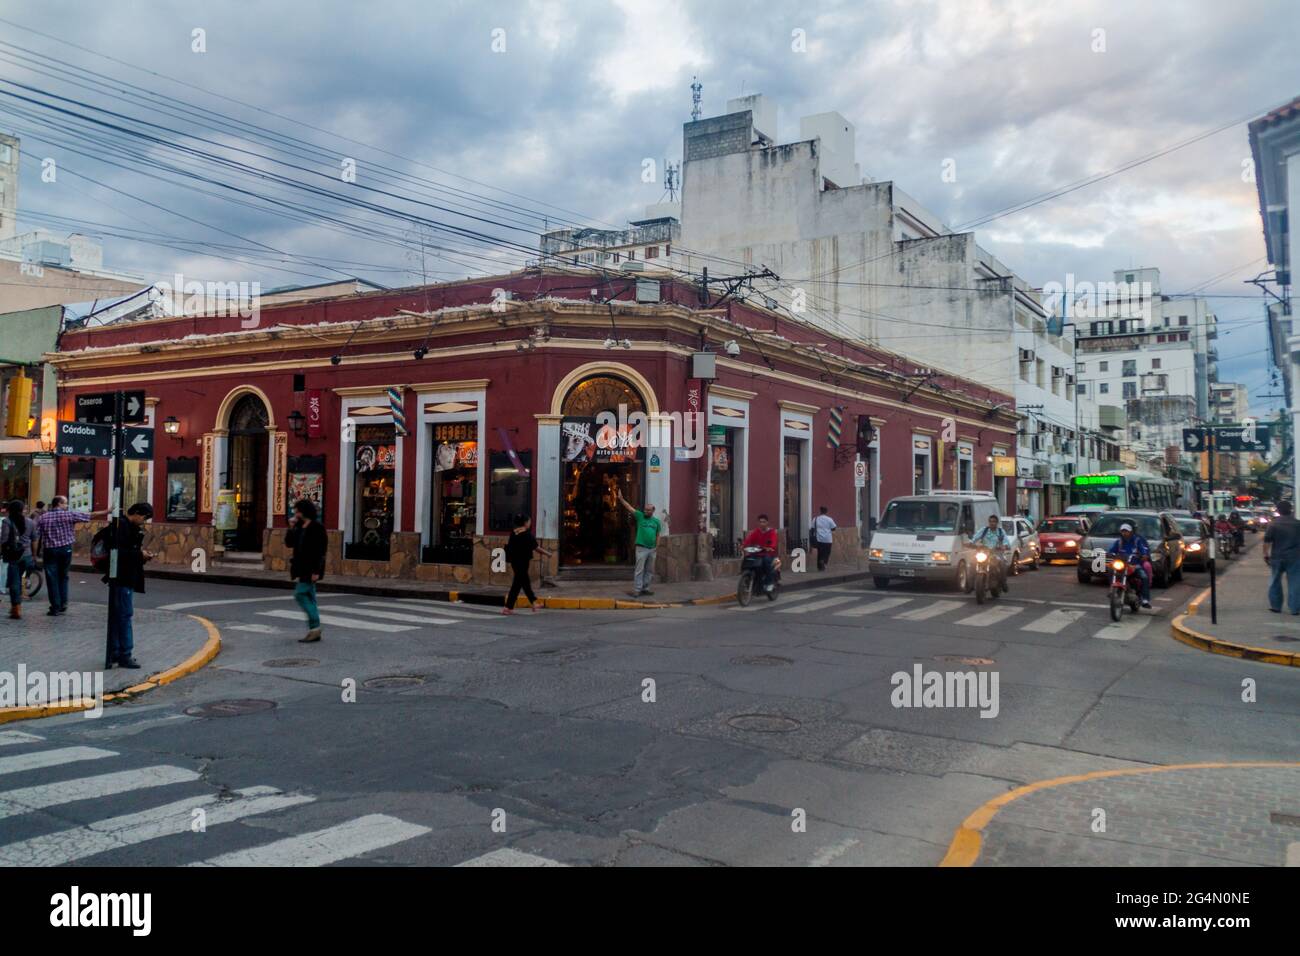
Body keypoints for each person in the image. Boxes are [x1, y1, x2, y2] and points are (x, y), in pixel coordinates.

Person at [34, 495, 110, 616]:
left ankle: (55, 607)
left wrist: (35, 553)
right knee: (63, 576)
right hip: (65, 549)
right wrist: (107, 511)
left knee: (52, 578)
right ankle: (63, 604)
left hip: (50, 551)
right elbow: (89, 515)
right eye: (65, 503)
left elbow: (36, 536)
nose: (67, 506)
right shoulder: (68, 514)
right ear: (59, 504)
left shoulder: (43, 518)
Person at [105, 502, 155, 668]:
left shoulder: (125, 526)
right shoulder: (122, 527)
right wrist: (140, 555)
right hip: (123, 578)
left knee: (120, 616)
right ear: (137, 513)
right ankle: (124, 654)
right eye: (144, 517)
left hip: (124, 577)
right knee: (124, 616)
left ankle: (116, 652)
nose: (144, 521)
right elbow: (119, 553)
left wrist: (141, 555)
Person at [285, 499, 328, 643]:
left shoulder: (317, 528)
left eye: (297, 511)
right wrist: (290, 527)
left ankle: (315, 628)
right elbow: (289, 543)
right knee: (310, 597)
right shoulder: (299, 526)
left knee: (300, 594)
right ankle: (314, 629)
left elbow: (321, 551)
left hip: (311, 568)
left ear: (303, 512)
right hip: (301, 567)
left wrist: (317, 571)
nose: (295, 513)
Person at [616, 491, 664, 597]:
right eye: (645, 510)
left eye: (648, 510)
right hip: (641, 548)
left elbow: (658, 535)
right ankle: (637, 589)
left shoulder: (656, 522)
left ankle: (645, 588)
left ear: (653, 511)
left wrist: (657, 546)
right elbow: (629, 507)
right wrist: (621, 499)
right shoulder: (640, 516)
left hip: (652, 549)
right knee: (639, 569)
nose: (646, 511)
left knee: (649, 570)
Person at [502, 514, 553, 614]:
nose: (530, 523)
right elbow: (536, 548)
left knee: (521, 583)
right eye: (529, 521)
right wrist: (548, 553)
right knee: (519, 583)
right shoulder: (527, 534)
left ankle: (531, 603)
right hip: (523, 562)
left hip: (514, 561)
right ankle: (508, 607)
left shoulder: (514, 532)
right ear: (525, 523)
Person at [1263, 500, 1300, 615]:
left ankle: (1276, 606)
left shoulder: (1273, 524)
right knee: (1295, 583)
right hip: (1295, 557)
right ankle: (1295, 608)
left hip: (1277, 557)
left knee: (1275, 581)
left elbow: (1267, 541)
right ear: (1290, 510)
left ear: (1278, 511)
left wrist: (1265, 555)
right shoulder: (1298, 524)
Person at [2, 499, 37, 620]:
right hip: (27, 555)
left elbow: (4, 540)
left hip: (14, 556)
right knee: (22, 578)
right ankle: (23, 592)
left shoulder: (7, 521)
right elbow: (34, 540)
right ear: (22, 510)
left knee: (14, 582)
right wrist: (34, 555)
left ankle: (16, 607)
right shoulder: (31, 522)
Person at [1106, 522, 1152, 609]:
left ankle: (1145, 599)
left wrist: (1144, 555)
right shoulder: (1118, 542)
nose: (1124, 533)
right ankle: (1112, 589)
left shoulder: (1137, 541)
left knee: (1144, 577)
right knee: (1110, 569)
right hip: (1122, 564)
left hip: (1134, 565)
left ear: (1130, 532)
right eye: (1123, 531)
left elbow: (1143, 550)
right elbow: (1112, 550)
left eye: (1126, 531)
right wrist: (1109, 553)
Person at [969, 514, 1011, 589]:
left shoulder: (1001, 532)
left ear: (997, 523)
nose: (992, 523)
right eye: (990, 521)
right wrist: (971, 543)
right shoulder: (984, 530)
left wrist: (1004, 546)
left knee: (1002, 564)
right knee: (972, 563)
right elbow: (975, 537)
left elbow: (1006, 542)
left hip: (996, 553)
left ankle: (1003, 582)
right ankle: (969, 584)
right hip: (984, 552)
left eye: (994, 521)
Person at [741, 514, 779, 592]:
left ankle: (770, 583)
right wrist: (743, 546)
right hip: (757, 553)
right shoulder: (756, 531)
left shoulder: (772, 532)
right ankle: (747, 578)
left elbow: (773, 542)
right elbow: (749, 539)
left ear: (767, 522)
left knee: (766, 561)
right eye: (760, 522)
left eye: (764, 522)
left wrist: (770, 547)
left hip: (768, 554)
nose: (762, 524)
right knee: (748, 559)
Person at [812, 506, 837, 571]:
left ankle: (819, 567)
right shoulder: (829, 519)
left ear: (820, 511)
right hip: (828, 539)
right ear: (826, 512)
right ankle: (824, 561)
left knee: (820, 552)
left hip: (819, 539)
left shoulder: (815, 519)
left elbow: (812, 528)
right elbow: (834, 528)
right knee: (827, 552)